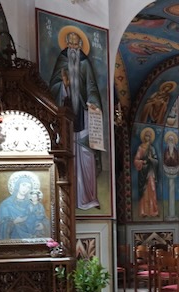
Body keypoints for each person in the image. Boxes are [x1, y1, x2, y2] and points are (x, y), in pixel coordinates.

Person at [49, 29, 102, 211]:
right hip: (66, 117)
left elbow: (92, 86)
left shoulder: (85, 62)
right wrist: (63, 86)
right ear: (66, 44)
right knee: (67, 153)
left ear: (80, 45)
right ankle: (68, 198)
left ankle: (89, 197)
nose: (73, 46)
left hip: (84, 114)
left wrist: (93, 102)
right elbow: (54, 85)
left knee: (86, 154)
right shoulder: (62, 59)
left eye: (76, 43)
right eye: (70, 42)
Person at [0, 173, 37, 240]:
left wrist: (42, 225)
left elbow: (40, 219)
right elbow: (2, 225)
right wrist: (15, 221)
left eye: (28, 187)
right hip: (13, 237)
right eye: (23, 185)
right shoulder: (6, 204)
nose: (25, 189)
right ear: (17, 185)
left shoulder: (32, 204)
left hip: (30, 237)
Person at [134, 127, 159, 217]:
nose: (147, 137)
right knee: (144, 191)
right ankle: (143, 212)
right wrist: (142, 162)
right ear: (144, 137)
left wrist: (151, 159)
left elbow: (156, 161)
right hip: (143, 171)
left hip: (150, 171)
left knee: (152, 189)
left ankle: (153, 211)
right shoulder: (141, 148)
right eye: (146, 136)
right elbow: (136, 160)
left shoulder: (152, 148)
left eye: (149, 136)